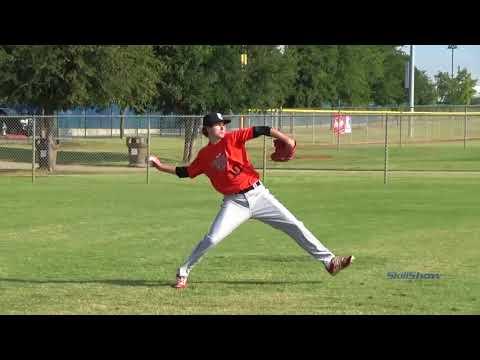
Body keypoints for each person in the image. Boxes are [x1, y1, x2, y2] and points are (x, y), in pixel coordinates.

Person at [149, 112, 354, 289]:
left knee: (294, 225)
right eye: (218, 124)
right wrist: (160, 166)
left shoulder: (233, 138)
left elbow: (262, 129)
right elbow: (185, 172)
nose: (222, 127)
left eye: (223, 124)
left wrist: (288, 139)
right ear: (207, 129)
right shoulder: (204, 155)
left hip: (259, 195)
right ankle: (183, 272)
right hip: (234, 203)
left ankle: (329, 262)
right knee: (212, 238)